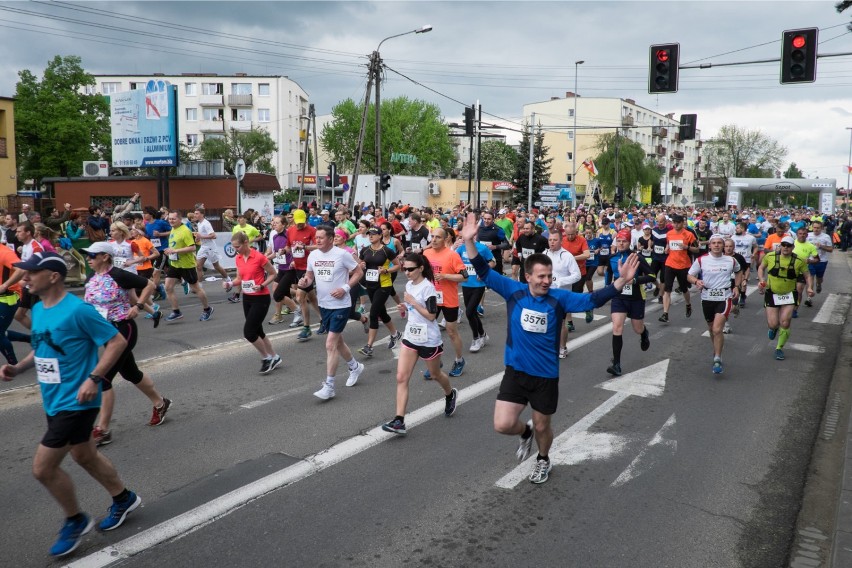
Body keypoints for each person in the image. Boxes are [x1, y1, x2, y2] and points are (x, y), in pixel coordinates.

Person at [458, 212, 640, 484]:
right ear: (528, 276)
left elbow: (593, 299)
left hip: (545, 376)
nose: (546, 281)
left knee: (543, 424)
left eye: (549, 277)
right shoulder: (513, 291)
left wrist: (621, 281)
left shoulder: (560, 298)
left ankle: (543, 459)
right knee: (503, 424)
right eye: (541, 276)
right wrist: (469, 242)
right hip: (516, 371)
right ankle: (524, 433)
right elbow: (483, 271)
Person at [0, 252, 141, 557]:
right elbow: (42, 348)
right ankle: (124, 498)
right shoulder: (38, 310)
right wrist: (18, 368)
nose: (24, 278)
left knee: (42, 469)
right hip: (54, 400)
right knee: (85, 455)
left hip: (77, 401)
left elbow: (116, 342)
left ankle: (75, 520)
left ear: (52, 276)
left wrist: (94, 378)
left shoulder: (79, 310)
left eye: (30, 273)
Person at [81, 242, 171, 446]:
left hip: (122, 330)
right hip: (103, 332)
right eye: (88, 256)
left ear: (105, 256)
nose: (89, 259)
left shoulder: (119, 274)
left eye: (92, 255)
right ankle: (160, 402)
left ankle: (102, 430)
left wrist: (139, 306)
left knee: (103, 378)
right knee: (130, 372)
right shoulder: (91, 277)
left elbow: (149, 284)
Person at [381, 252, 457, 435]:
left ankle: (450, 394)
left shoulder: (429, 288)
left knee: (436, 374)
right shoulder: (408, 284)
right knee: (401, 377)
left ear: (421, 268)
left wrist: (412, 303)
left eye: (410, 269)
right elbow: (411, 309)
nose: (406, 272)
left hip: (428, 339)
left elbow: (432, 316)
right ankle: (399, 421)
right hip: (411, 337)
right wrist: (404, 308)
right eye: (404, 269)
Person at [299, 226, 365, 400]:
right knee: (338, 341)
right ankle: (355, 366)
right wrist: (304, 282)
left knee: (330, 344)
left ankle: (329, 386)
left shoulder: (342, 254)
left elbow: (358, 271)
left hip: (341, 304)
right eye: (316, 237)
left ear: (330, 238)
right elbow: (310, 277)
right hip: (324, 304)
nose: (317, 240)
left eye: (321, 237)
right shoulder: (313, 255)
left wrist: (345, 288)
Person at [224, 232, 282, 374]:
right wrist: (230, 283)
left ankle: (266, 358)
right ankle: (275, 356)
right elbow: (240, 278)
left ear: (246, 243)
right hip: (248, 298)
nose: (235, 249)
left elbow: (273, 274)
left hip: (261, 298)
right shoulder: (238, 258)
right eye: (234, 247)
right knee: (257, 330)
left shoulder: (259, 257)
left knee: (249, 332)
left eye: (237, 246)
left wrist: (262, 285)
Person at [687, 235, 741, 374]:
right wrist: (696, 281)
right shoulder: (701, 260)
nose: (716, 245)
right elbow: (690, 275)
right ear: (709, 245)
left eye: (719, 243)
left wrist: (737, 286)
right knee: (711, 329)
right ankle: (717, 349)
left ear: (723, 246)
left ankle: (717, 357)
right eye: (714, 243)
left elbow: (738, 272)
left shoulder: (731, 260)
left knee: (717, 329)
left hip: (724, 297)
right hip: (707, 297)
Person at [605, 230, 655, 375]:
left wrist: (634, 280)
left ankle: (644, 333)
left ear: (629, 242)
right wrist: (606, 290)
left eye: (624, 241)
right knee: (617, 327)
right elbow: (609, 275)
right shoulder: (612, 258)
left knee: (637, 329)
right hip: (619, 298)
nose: (621, 243)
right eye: (619, 241)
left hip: (636, 298)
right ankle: (617, 364)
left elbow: (651, 275)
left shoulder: (637, 257)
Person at [757, 235, 813, 361]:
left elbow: (807, 275)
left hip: (789, 294)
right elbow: (761, 267)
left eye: (788, 245)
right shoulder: (770, 256)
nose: (786, 247)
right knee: (773, 323)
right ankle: (773, 329)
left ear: (793, 247)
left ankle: (779, 348)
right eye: (784, 245)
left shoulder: (799, 261)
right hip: (772, 292)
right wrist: (761, 279)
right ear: (780, 246)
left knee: (785, 322)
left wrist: (809, 287)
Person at [423, 227, 468, 378]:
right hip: (431, 298)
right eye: (432, 237)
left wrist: (446, 276)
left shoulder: (452, 255)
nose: (434, 240)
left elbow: (464, 277)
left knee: (451, 331)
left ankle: (459, 360)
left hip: (448, 299)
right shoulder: (426, 253)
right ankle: (436, 363)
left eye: (438, 237)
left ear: (445, 239)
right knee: (430, 332)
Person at [356, 227, 402, 357]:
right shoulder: (365, 250)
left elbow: (398, 265)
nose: (370, 236)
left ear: (380, 235)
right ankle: (395, 334)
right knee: (382, 312)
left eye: (374, 234)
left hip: (384, 285)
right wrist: (361, 265)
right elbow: (361, 262)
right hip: (370, 285)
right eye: (369, 234)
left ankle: (369, 346)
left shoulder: (387, 251)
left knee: (374, 313)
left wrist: (386, 270)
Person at [163, 210, 214, 322]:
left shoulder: (185, 231)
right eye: (169, 218)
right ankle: (176, 311)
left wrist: (175, 250)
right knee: (168, 287)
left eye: (173, 219)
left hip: (186, 265)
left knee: (196, 288)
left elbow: (192, 248)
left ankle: (207, 309)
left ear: (180, 219)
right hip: (175, 264)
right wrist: (170, 251)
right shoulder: (173, 228)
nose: (171, 220)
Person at [544, 231, 582, 359]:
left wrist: (560, 281)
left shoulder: (567, 256)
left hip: (561, 294)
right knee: (546, 320)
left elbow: (577, 275)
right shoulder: (544, 254)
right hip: (546, 293)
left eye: (555, 240)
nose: (552, 242)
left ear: (561, 241)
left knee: (560, 322)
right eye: (550, 240)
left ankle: (562, 347)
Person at [456, 230, 495, 353]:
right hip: (466, 283)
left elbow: (493, 262)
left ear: (475, 236)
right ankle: (483, 334)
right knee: (471, 312)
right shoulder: (461, 248)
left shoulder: (482, 248)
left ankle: (476, 338)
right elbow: (454, 260)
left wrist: (483, 269)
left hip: (478, 284)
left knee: (469, 312)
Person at [659, 214, 698, 323]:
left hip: (683, 265)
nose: (676, 225)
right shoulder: (669, 234)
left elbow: (697, 249)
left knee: (684, 288)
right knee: (667, 289)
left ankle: (688, 304)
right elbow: (668, 245)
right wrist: (666, 249)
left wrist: (687, 247)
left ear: (682, 223)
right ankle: (665, 314)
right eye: (674, 223)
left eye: (678, 223)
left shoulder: (689, 234)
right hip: (670, 264)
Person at [193, 207, 232, 285]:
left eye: (197, 213)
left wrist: (201, 237)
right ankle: (199, 286)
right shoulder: (199, 223)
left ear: (202, 214)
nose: (195, 215)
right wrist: (198, 238)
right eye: (195, 213)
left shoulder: (206, 223)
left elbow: (214, 236)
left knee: (216, 266)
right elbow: (201, 235)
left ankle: (228, 279)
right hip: (203, 247)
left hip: (210, 248)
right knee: (198, 266)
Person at [805, 220, 833, 302]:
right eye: (814, 227)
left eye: (818, 228)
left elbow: (831, 249)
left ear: (821, 228)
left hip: (822, 261)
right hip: (810, 260)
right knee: (810, 277)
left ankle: (819, 284)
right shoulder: (807, 235)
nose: (816, 229)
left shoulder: (826, 237)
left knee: (819, 278)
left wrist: (821, 246)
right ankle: (809, 297)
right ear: (812, 227)